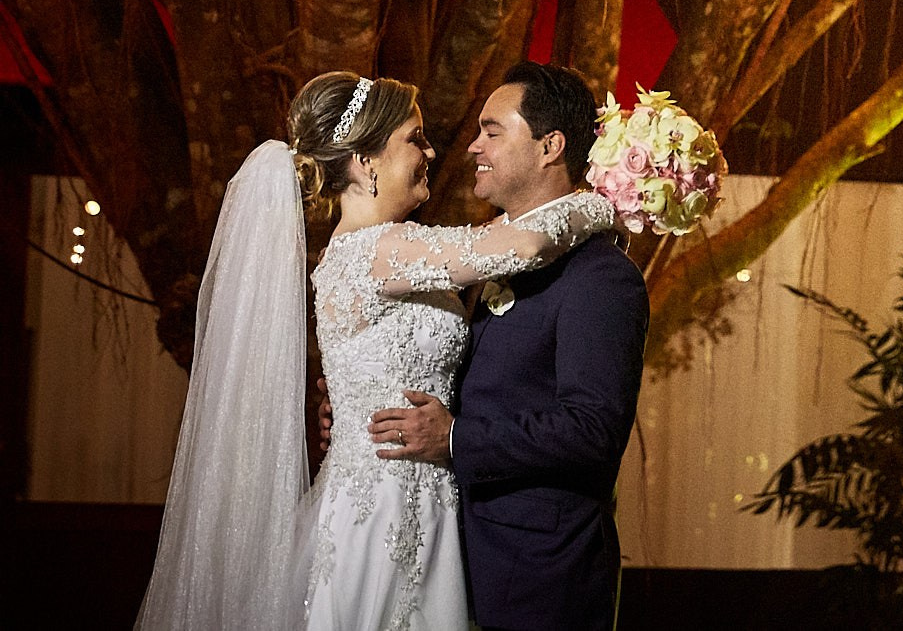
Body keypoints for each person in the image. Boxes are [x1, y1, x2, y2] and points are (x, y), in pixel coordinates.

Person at [133, 71, 616, 631]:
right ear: (366, 162)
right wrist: (604, 206)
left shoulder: (379, 251)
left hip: (413, 491)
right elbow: (525, 244)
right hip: (387, 502)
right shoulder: (379, 251)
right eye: (415, 138)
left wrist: (344, 403)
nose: (433, 150)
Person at [370, 61, 650, 631]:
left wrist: (455, 437)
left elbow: (593, 430)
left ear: (550, 146)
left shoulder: (600, 276)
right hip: (450, 560)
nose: (474, 147)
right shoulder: (492, 259)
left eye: (492, 131)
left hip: (542, 578)